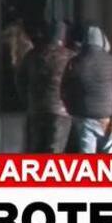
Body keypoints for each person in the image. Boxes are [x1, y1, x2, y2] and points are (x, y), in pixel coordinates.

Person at [61, 25, 112, 154]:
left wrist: (72, 110)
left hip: (85, 117)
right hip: (109, 118)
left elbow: (65, 89)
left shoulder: (75, 62)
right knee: (110, 152)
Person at [16, 21, 74, 153]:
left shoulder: (32, 55)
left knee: (35, 150)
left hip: (36, 109)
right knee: (54, 151)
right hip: (61, 112)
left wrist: (27, 99)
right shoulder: (70, 57)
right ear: (63, 37)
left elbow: (20, 80)